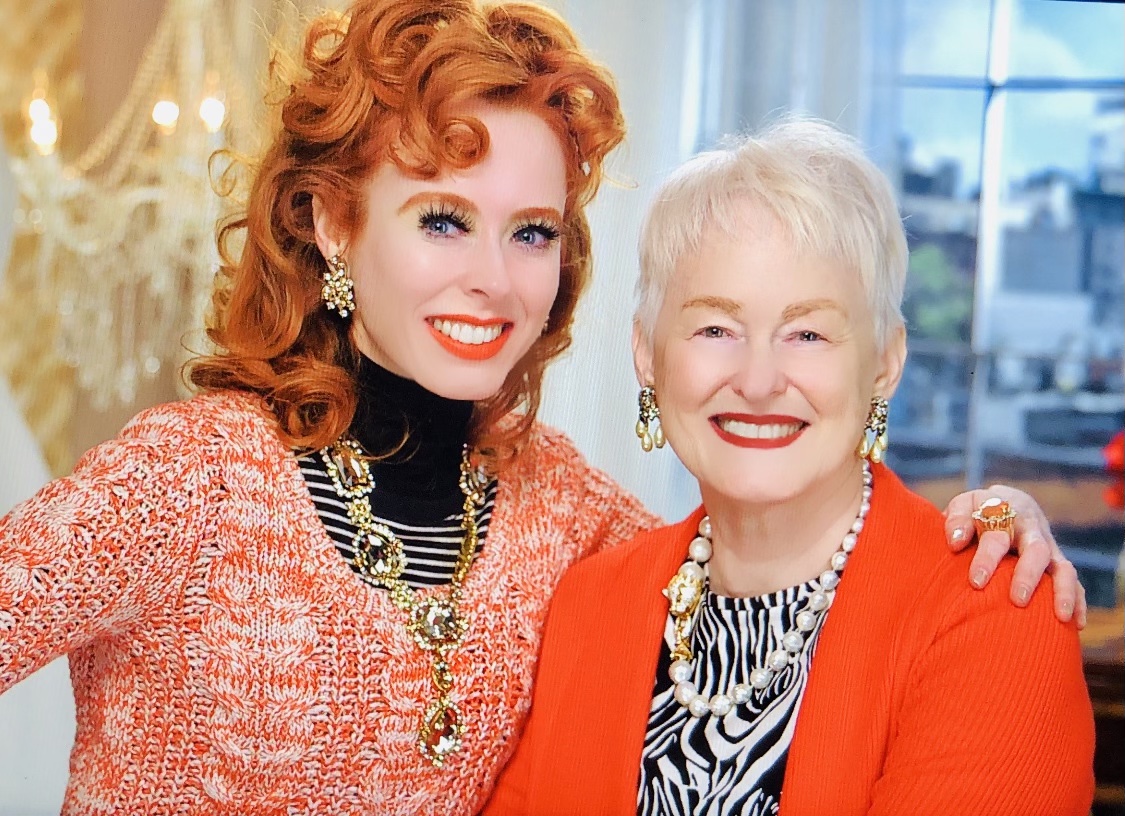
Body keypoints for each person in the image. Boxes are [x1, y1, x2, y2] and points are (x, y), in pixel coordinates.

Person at [0, 2, 1083, 814]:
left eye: (530, 231)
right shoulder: (187, 479)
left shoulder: (562, 518)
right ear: (333, 223)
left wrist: (991, 518)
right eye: (440, 220)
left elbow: (759, 533)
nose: (492, 278)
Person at [483, 119, 1095, 815]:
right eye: (715, 328)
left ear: (884, 363)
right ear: (648, 352)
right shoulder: (589, 604)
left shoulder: (996, 612)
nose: (758, 378)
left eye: (807, 333)